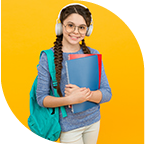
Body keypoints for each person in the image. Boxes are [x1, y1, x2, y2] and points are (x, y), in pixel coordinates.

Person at [36, 3, 112, 144]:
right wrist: (71, 100)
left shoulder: (94, 54)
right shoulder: (48, 57)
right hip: (69, 127)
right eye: (70, 25)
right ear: (60, 26)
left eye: (82, 27)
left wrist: (84, 94)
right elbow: (41, 99)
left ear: (88, 30)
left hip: (93, 121)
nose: (76, 31)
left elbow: (107, 93)